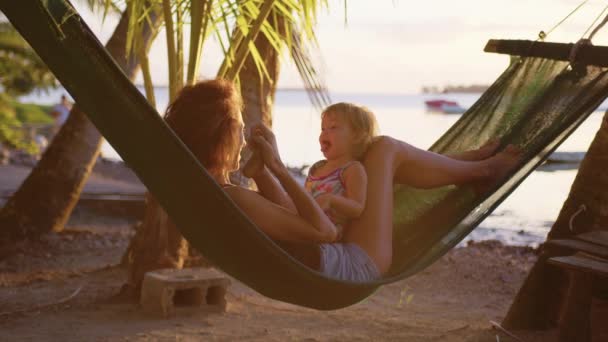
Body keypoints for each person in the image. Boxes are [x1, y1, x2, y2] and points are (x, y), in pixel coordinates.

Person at [164, 79, 520, 282]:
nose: (243, 139)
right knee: (382, 150)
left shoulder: (215, 194)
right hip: (356, 261)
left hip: (334, 256)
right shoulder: (234, 198)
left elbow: (288, 217)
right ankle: (483, 171)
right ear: (223, 136)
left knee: (362, 158)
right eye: (240, 129)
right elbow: (323, 231)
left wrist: (266, 174)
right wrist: (279, 167)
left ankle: (469, 164)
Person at [304, 102, 377, 240]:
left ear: (356, 136)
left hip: (324, 232)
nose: (324, 134)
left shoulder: (352, 169)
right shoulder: (317, 168)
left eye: (332, 127)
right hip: (304, 219)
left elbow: (357, 207)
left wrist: (331, 200)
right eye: (322, 128)